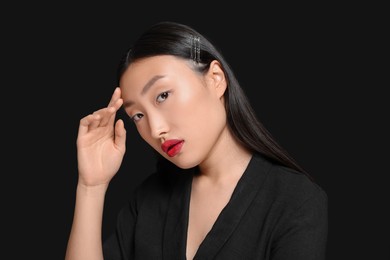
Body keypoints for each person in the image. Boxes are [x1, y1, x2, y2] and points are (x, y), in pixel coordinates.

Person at [65, 21, 328, 260]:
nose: (156, 129)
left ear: (215, 79)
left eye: (163, 95)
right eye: (138, 115)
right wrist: (91, 187)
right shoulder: (148, 201)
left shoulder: (294, 200)